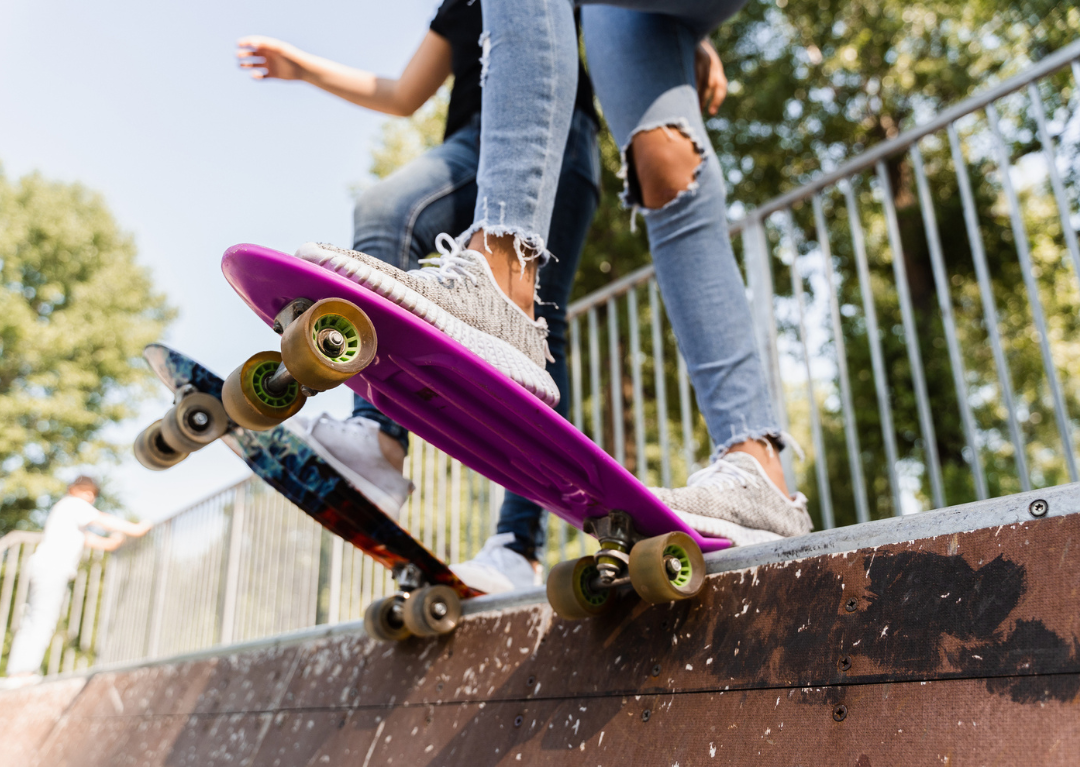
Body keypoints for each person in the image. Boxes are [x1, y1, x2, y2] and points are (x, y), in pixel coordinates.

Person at [288, 0, 813, 546]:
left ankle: (497, 283)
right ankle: (757, 470)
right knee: (668, 166)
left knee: (543, 320)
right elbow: (403, 91)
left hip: (556, 144)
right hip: (621, 22)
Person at [237, 0, 603, 592]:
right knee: (386, 209)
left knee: (536, 325)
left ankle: (517, 543)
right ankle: (377, 440)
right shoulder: (460, 5)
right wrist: (303, 68)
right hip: (476, 138)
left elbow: (628, 25)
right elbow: (406, 93)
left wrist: (684, 47)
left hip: (560, 132)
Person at [3, 477, 150, 686]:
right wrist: (137, 528)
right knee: (43, 618)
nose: (90, 499)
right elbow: (103, 520)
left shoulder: (64, 513)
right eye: (88, 494)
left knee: (32, 618)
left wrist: (113, 542)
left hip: (42, 565)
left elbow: (94, 541)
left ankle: (16, 672)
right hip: (52, 568)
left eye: (92, 496)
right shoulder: (73, 504)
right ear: (80, 492)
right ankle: (24, 673)